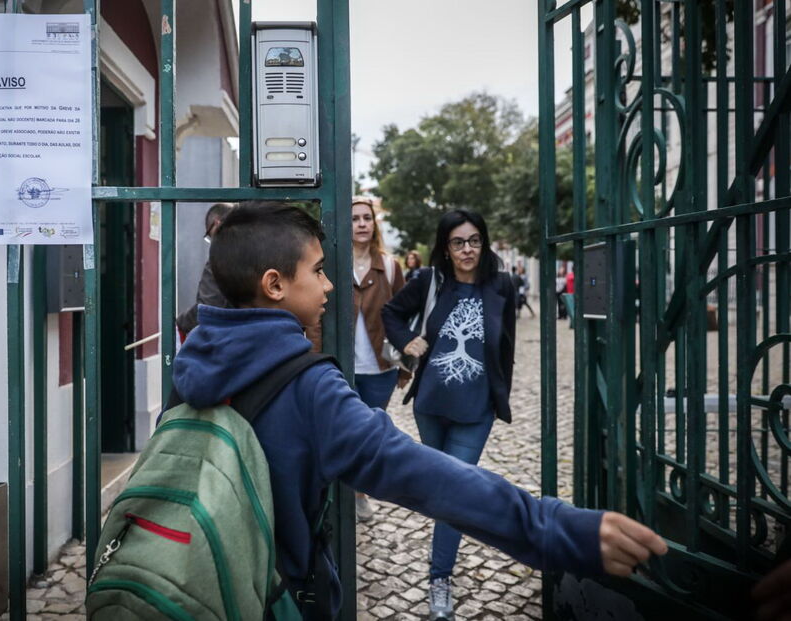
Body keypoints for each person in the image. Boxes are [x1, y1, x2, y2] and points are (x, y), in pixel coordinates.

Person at [172, 202, 667, 620]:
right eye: (318, 271)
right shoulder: (310, 389)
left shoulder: (192, 362)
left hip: (193, 581)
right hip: (272, 596)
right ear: (275, 284)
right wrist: (554, 527)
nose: (327, 286)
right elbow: (424, 476)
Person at [381, 210, 524, 616]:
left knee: (453, 494)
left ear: (484, 242)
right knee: (441, 490)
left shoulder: (502, 286)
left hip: (475, 411)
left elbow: (507, 348)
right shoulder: (430, 282)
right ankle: (442, 567)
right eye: (459, 242)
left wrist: (500, 397)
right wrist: (408, 341)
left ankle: (439, 577)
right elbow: (389, 313)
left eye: (475, 240)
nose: (467, 249)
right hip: (431, 407)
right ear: (446, 246)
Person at [350, 196, 405, 522]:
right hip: (342, 367)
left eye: (366, 218)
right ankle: (352, 493)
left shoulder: (390, 266)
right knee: (348, 432)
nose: (360, 224)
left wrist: (403, 366)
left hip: (379, 369)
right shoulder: (332, 262)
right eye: (355, 218)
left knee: (369, 435)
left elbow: (403, 317)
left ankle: (359, 491)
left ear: (374, 224)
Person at [176, 202, 234, 336]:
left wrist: (182, 322)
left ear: (217, 224)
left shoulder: (221, 256)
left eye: (209, 234)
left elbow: (208, 307)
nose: (212, 240)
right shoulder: (260, 243)